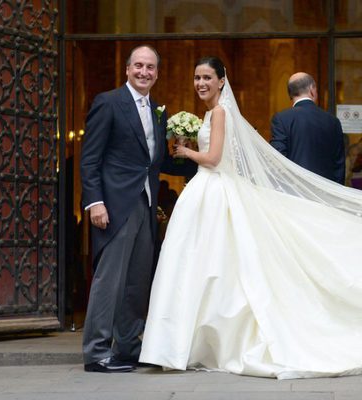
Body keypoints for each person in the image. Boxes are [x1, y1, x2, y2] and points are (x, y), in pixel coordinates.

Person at [139, 56, 362, 379]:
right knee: (204, 265)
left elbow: (214, 158)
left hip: (213, 188)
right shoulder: (215, 112)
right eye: (196, 77)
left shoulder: (219, 112)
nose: (201, 83)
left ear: (221, 81)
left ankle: (188, 342)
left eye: (207, 77)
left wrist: (184, 152)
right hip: (208, 191)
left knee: (206, 264)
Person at [80, 45, 196, 373]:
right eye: (139, 66)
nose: (144, 72)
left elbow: (153, 162)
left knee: (136, 281)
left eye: (150, 68)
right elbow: (90, 158)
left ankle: (128, 347)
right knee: (109, 280)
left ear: (157, 73)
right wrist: (95, 201)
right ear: (128, 69)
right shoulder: (108, 102)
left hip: (146, 205)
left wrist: (198, 162)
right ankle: (97, 352)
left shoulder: (158, 109)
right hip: (115, 206)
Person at [270, 72, 345, 184]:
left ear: (290, 94)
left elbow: (278, 157)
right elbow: (339, 164)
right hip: (326, 193)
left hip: (295, 191)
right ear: (312, 89)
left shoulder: (281, 119)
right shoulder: (333, 121)